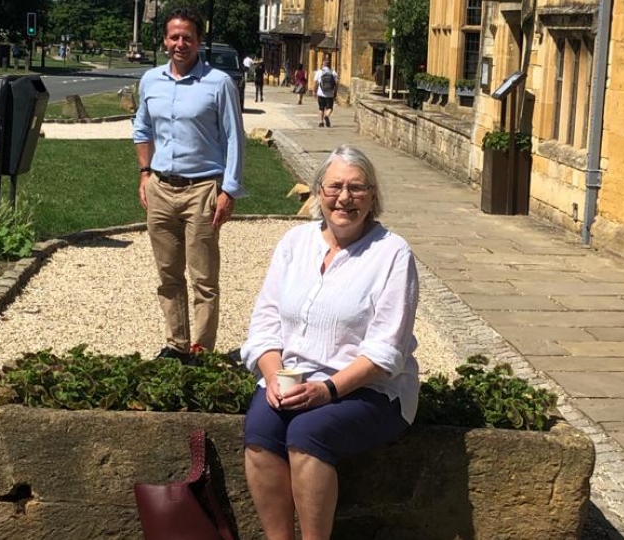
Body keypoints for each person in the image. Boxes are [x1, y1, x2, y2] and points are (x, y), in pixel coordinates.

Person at [241, 145, 420, 540]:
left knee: (308, 434)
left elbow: (385, 350)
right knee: (259, 432)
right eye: (335, 186)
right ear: (318, 192)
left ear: (373, 196)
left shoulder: (392, 254)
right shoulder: (294, 243)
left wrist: (327, 390)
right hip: (295, 381)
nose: (344, 198)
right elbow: (265, 323)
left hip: (371, 389)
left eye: (357, 188)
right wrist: (272, 376)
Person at [133, 6, 245, 361]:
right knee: (167, 275)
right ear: (165, 40)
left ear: (198, 42)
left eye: (187, 38)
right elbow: (142, 128)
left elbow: (234, 139)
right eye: (174, 37)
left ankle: (202, 350)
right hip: (161, 188)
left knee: (203, 278)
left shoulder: (219, 84)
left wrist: (229, 190)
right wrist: (145, 172)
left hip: (203, 191)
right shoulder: (150, 81)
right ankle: (176, 344)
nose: (180, 43)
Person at [313, 59, 338, 128]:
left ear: (323, 65)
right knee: (330, 107)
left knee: (321, 108)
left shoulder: (319, 72)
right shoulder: (333, 72)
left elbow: (316, 83)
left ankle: (321, 122)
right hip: (330, 94)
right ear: (329, 65)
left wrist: (314, 91)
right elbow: (336, 84)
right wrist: (335, 92)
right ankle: (326, 115)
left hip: (321, 93)